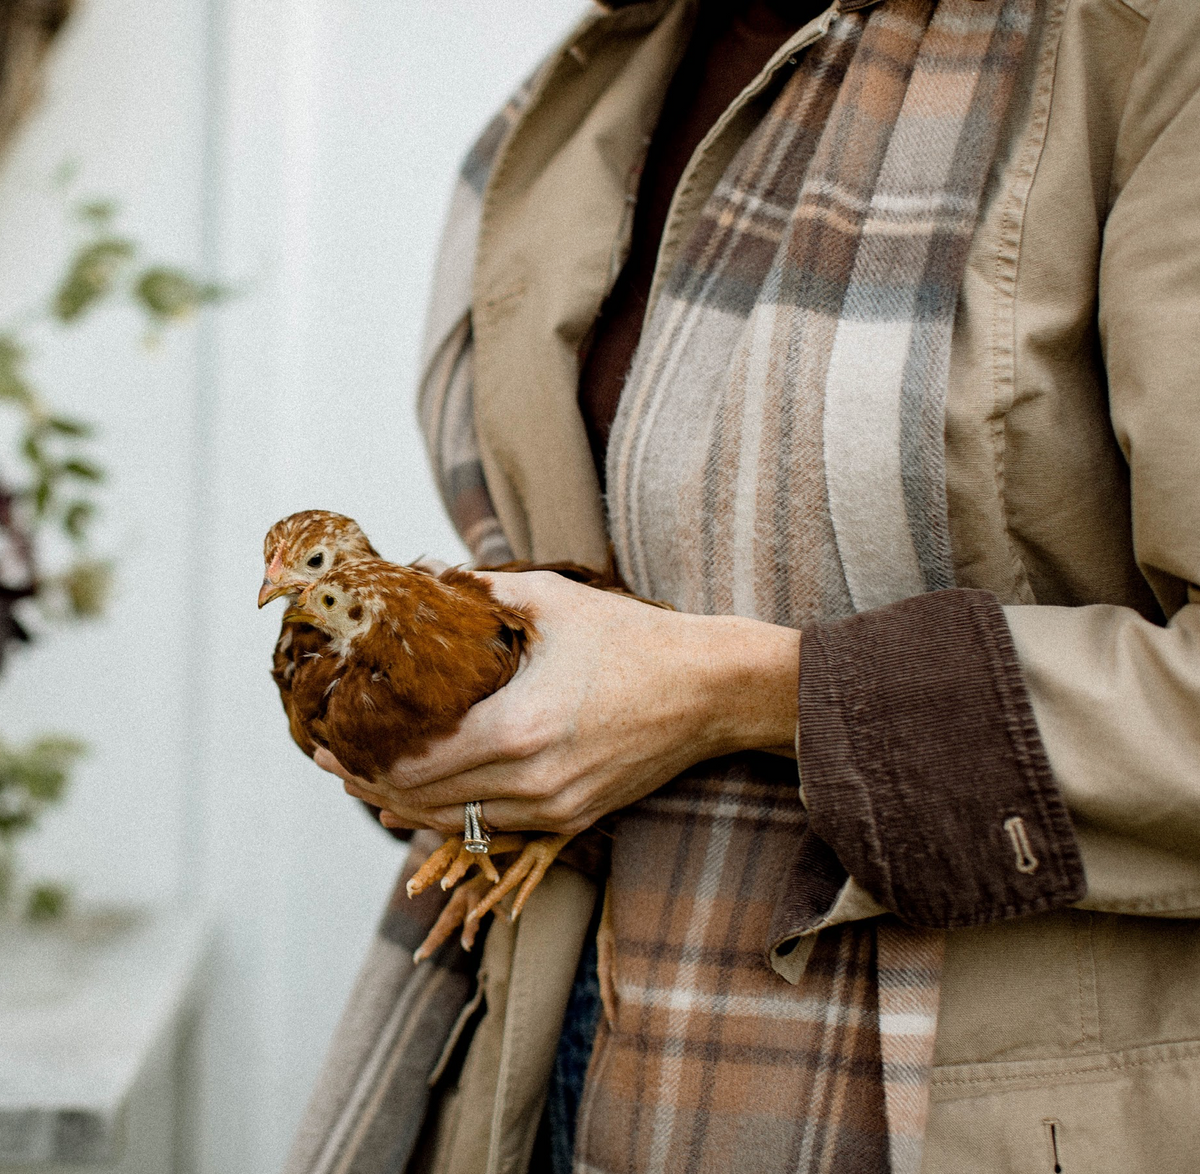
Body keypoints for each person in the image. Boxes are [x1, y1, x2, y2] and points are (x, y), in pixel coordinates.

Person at [285, 1, 1200, 1172]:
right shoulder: (603, 73)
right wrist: (464, 741)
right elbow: (609, 570)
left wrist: (748, 694)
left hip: (937, 1106)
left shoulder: (1134, 45)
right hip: (549, 1068)